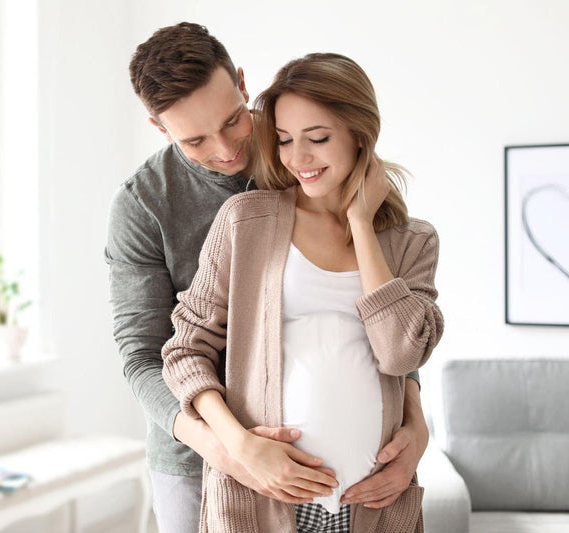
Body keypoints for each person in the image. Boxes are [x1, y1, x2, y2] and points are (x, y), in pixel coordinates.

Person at [106, 23, 429, 533]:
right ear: (159, 127)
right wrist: (234, 451)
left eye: (233, 120)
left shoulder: (306, 151)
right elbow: (145, 354)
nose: (227, 149)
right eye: (194, 139)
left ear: (240, 81)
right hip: (196, 456)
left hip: (347, 473)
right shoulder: (144, 203)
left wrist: (415, 424)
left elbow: (368, 310)